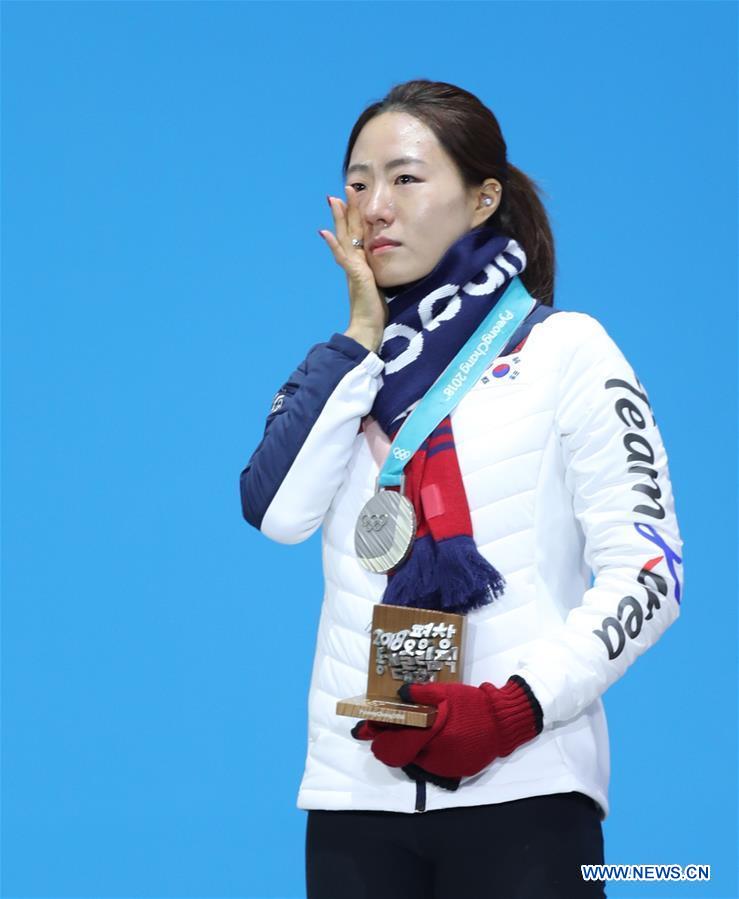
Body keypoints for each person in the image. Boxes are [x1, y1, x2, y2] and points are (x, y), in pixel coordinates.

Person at [239, 79, 684, 899]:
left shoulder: (567, 351)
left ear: (482, 199)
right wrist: (360, 337)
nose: (374, 206)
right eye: (359, 180)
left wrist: (514, 709)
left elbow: (650, 572)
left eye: (405, 178)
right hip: (354, 792)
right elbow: (276, 513)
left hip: (527, 784)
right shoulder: (343, 372)